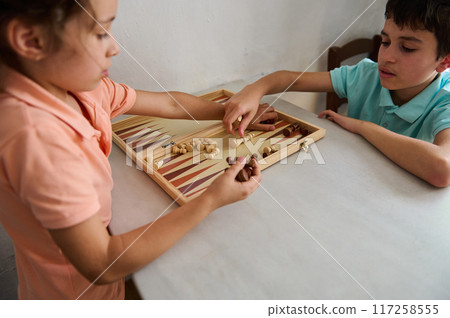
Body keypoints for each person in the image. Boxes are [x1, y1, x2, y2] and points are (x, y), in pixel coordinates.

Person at [0, 0, 278, 299]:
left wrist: (230, 112)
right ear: (31, 41)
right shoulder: (36, 139)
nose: (115, 47)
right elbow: (102, 262)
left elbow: (169, 104)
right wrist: (210, 199)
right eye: (100, 33)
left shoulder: (78, 88)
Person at [223, 0, 450, 188]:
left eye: (407, 48)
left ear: (444, 61)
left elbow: (443, 169)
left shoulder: (445, 100)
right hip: (345, 183)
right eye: (385, 41)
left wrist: (362, 127)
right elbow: (288, 78)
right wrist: (255, 89)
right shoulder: (367, 75)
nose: (386, 56)